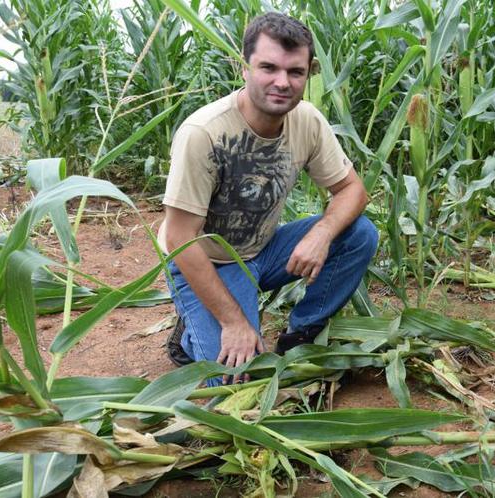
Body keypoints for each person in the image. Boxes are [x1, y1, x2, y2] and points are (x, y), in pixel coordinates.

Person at [157, 12, 378, 386]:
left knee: (359, 233)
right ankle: (192, 332)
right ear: (244, 68)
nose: (282, 82)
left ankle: (300, 335)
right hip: (209, 260)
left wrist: (321, 234)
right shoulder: (204, 134)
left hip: (264, 250)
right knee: (236, 383)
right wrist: (233, 322)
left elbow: (353, 190)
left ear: (309, 74)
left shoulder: (306, 121)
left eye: (295, 72)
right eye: (268, 68)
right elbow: (180, 239)